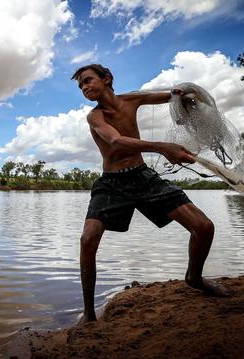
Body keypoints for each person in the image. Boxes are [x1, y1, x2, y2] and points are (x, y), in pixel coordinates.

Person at [71, 64, 230, 324]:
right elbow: (116, 141)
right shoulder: (95, 117)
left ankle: (195, 277)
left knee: (204, 227)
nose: (85, 87)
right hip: (112, 184)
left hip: (144, 178)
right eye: (81, 86)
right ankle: (89, 313)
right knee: (88, 240)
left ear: (107, 79)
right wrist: (161, 146)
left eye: (88, 80)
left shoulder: (132, 99)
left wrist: (182, 94)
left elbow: (170, 96)